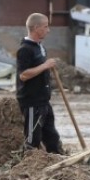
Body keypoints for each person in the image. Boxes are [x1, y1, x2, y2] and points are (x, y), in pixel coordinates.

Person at [16, 13, 62, 153]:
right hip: (31, 102)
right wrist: (44, 66)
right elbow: (23, 75)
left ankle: (58, 165)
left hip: (43, 101)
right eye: (45, 26)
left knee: (52, 138)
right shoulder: (25, 49)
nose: (48, 30)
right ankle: (27, 170)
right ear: (36, 28)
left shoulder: (40, 47)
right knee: (32, 140)